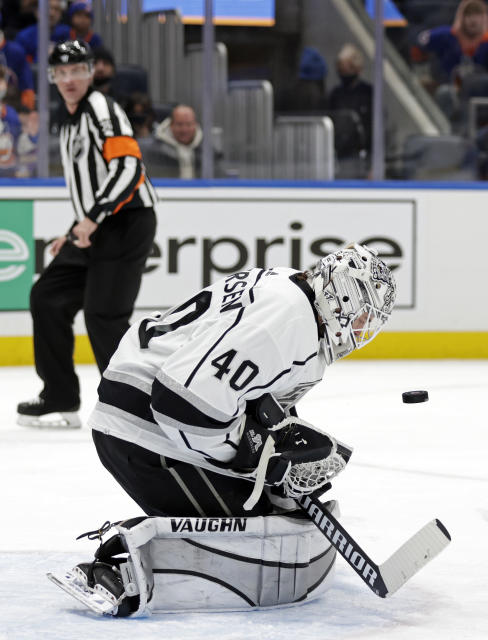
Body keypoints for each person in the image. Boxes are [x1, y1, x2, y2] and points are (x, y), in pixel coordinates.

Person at [48, 243, 397, 617]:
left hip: (151, 412)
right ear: (340, 297)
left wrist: (277, 445)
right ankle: (115, 567)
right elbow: (180, 402)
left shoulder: (290, 291)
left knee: (274, 512)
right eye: (362, 317)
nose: (362, 330)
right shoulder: (289, 318)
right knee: (257, 537)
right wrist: (258, 457)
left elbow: (243, 392)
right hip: (146, 427)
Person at [16, 41, 158, 430]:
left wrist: (91, 218)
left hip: (127, 220)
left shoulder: (101, 109)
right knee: (47, 297)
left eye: (76, 70)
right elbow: (90, 183)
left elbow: (129, 169)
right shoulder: (68, 119)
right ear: (51, 78)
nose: (68, 79)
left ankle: (131, 407)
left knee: (103, 315)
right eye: (60, 73)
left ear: (91, 72)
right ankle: (59, 395)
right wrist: (75, 227)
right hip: (95, 225)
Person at [414, 0, 488, 84]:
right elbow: (420, 39)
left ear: (485, 18)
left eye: (478, 15)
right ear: (461, 17)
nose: (473, 20)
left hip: (478, 93)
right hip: (445, 86)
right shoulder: (447, 35)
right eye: (469, 14)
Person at [148, 103, 223, 179]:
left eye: (189, 124)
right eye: (179, 124)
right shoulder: (155, 151)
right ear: (171, 125)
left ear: (195, 125)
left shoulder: (208, 152)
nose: (184, 129)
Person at [328, 43, 373, 157]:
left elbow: (376, 129)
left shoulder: (368, 93)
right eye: (341, 69)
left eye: (348, 69)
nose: (344, 73)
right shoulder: (336, 94)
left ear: (357, 69)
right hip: (339, 153)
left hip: (361, 153)